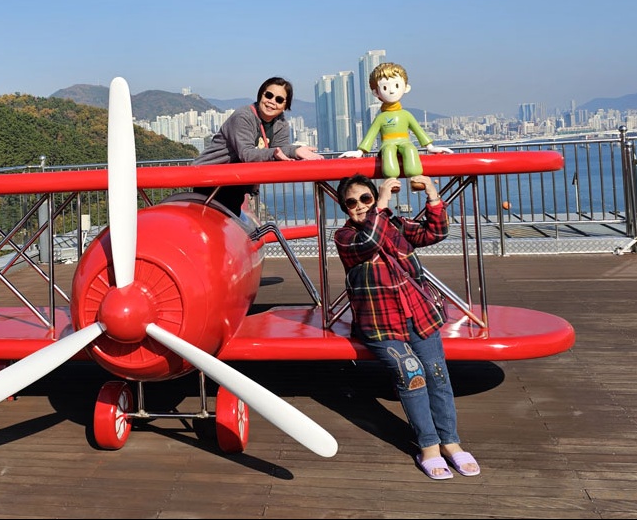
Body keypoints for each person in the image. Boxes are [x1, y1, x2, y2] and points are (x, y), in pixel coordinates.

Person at [333, 172, 481, 480]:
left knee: (437, 373)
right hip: (380, 324)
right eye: (352, 202)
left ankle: (450, 442)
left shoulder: (395, 224)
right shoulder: (346, 238)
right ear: (345, 209)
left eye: (366, 198)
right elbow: (369, 241)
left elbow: (435, 232)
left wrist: (431, 193)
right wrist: (382, 204)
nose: (360, 206)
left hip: (419, 313)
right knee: (410, 372)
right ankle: (428, 445)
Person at [193, 76, 323, 217]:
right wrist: (280, 152)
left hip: (235, 183)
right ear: (261, 94)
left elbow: (281, 149)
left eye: (279, 100)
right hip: (211, 180)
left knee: (231, 226)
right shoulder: (243, 116)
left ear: (285, 105)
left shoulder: (280, 123)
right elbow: (247, 154)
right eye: (269, 95)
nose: (272, 102)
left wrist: (295, 151)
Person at [342, 62, 452, 189]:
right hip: (387, 143)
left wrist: (430, 147)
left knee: (411, 149)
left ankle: (415, 178)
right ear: (376, 92)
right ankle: (391, 181)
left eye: (396, 85)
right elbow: (370, 135)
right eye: (385, 88)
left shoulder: (405, 114)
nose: (392, 90)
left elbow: (418, 130)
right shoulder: (381, 117)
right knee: (388, 151)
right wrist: (359, 151)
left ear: (406, 87)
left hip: (405, 142)